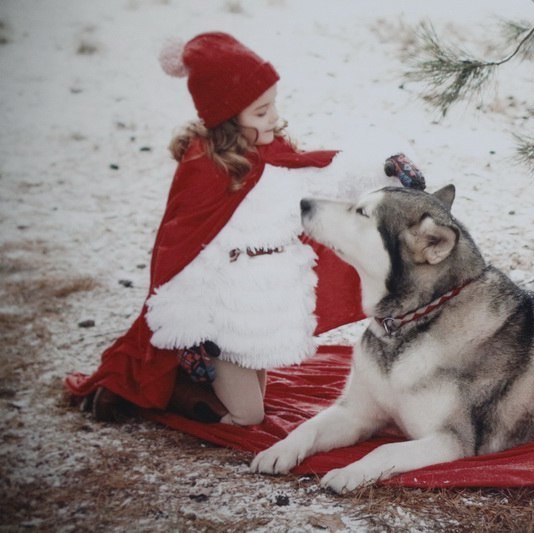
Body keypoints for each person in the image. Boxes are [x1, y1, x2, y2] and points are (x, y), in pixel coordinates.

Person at [65, 32, 424, 425]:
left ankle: (199, 384)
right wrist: (189, 334)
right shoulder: (207, 171)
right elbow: (183, 257)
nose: (274, 117)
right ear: (227, 118)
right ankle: (184, 386)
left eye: (273, 105)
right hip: (224, 317)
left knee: (258, 392)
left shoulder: (273, 153)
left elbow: (326, 179)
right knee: (250, 415)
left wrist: (386, 170)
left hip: (264, 309)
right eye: (260, 112)